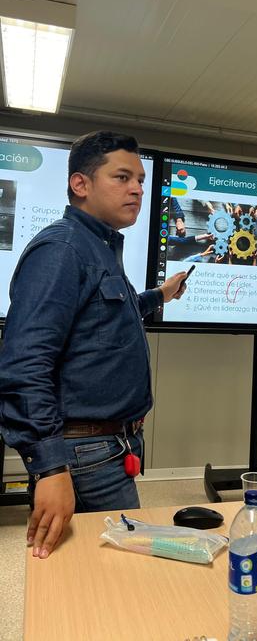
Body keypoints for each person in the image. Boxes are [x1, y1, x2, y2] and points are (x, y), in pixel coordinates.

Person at [0, 131, 188, 559]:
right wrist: (50, 467)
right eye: (122, 177)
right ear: (80, 184)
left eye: (140, 179)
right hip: (84, 457)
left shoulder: (98, 245)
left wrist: (161, 295)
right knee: (108, 576)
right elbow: (24, 365)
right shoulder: (63, 249)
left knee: (100, 575)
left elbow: (104, 317)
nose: (137, 189)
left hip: (108, 449)